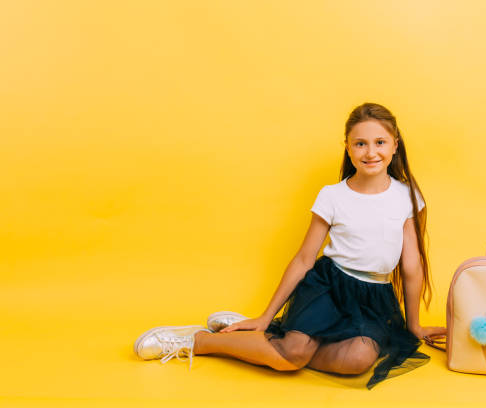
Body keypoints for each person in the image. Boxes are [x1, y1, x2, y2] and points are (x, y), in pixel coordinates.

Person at [133, 102, 447, 389]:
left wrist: (414, 323)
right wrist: (266, 315)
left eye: (379, 142)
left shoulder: (406, 197)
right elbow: (303, 260)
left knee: (358, 362)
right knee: (293, 354)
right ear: (348, 148)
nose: (370, 152)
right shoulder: (333, 196)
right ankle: (199, 341)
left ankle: (267, 342)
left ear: (395, 145)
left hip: (372, 298)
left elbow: (412, 265)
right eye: (360, 143)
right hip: (329, 287)